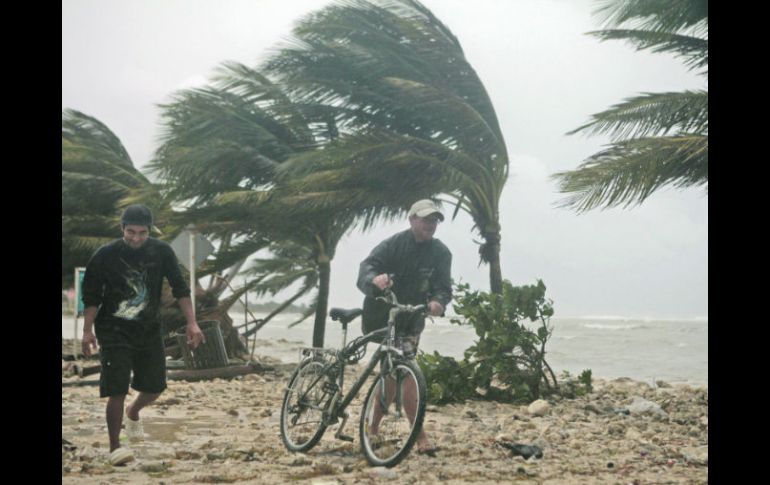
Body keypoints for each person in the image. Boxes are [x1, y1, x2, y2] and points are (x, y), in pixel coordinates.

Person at [81, 204, 205, 466]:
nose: (136, 238)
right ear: (122, 228)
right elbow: (91, 296)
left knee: (155, 387)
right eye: (130, 232)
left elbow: (180, 288)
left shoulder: (162, 252)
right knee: (116, 388)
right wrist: (87, 331)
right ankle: (116, 447)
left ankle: (133, 410)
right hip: (113, 330)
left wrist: (192, 323)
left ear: (149, 230)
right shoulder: (105, 255)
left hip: (148, 329)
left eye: (142, 233)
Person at [357, 199, 452, 456]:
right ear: (412, 220)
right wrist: (374, 279)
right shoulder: (393, 245)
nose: (430, 225)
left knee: (392, 374)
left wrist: (438, 302)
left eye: (434, 221)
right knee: (406, 374)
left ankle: (372, 428)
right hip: (384, 317)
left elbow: (443, 288)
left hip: (412, 318)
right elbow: (366, 268)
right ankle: (419, 435)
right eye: (425, 220)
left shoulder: (441, 253)